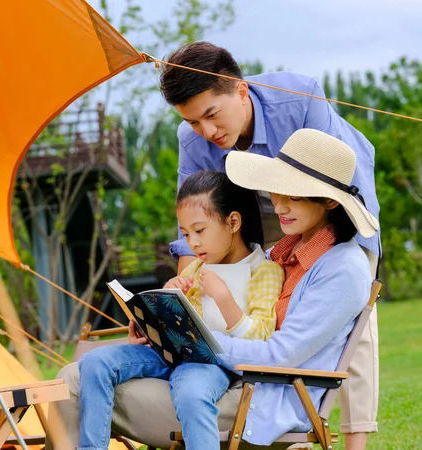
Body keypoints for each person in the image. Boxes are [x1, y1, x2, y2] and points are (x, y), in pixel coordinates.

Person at [46, 129, 379, 450]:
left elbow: (279, 354)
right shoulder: (286, 254)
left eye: (292, 195)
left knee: (71, 382)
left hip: (258, 399)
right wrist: (160, 329)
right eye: (275, 192)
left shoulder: (342, 268)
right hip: (229, 378)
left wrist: (196, 343)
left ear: (329, 202)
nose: (278, 206)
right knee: (82, 369)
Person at [160, 42, 380, 450]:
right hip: (260, 211)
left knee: (352, 325)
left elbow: (338, 178)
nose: (207, 131)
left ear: (240, 91)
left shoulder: (300, 101)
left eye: (211, 115)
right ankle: (280, 420)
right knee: (273, 311)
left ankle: (348, 439)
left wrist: (353, 264)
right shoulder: (192, 140)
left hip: (326, 198)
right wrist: (180, 307)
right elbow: (192, 225)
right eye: (193, 122)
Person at [75, 171, 284, 450]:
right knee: (95, 362)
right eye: (186, 234)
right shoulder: (197, 267)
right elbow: (182, 323)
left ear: (233, 222)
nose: (193, 243)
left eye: (199, 230)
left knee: (191, 393)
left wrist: (223, 297)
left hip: (210, 363)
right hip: (170, 353)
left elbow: (260, 338)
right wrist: (152, 319)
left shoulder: (264, 271)